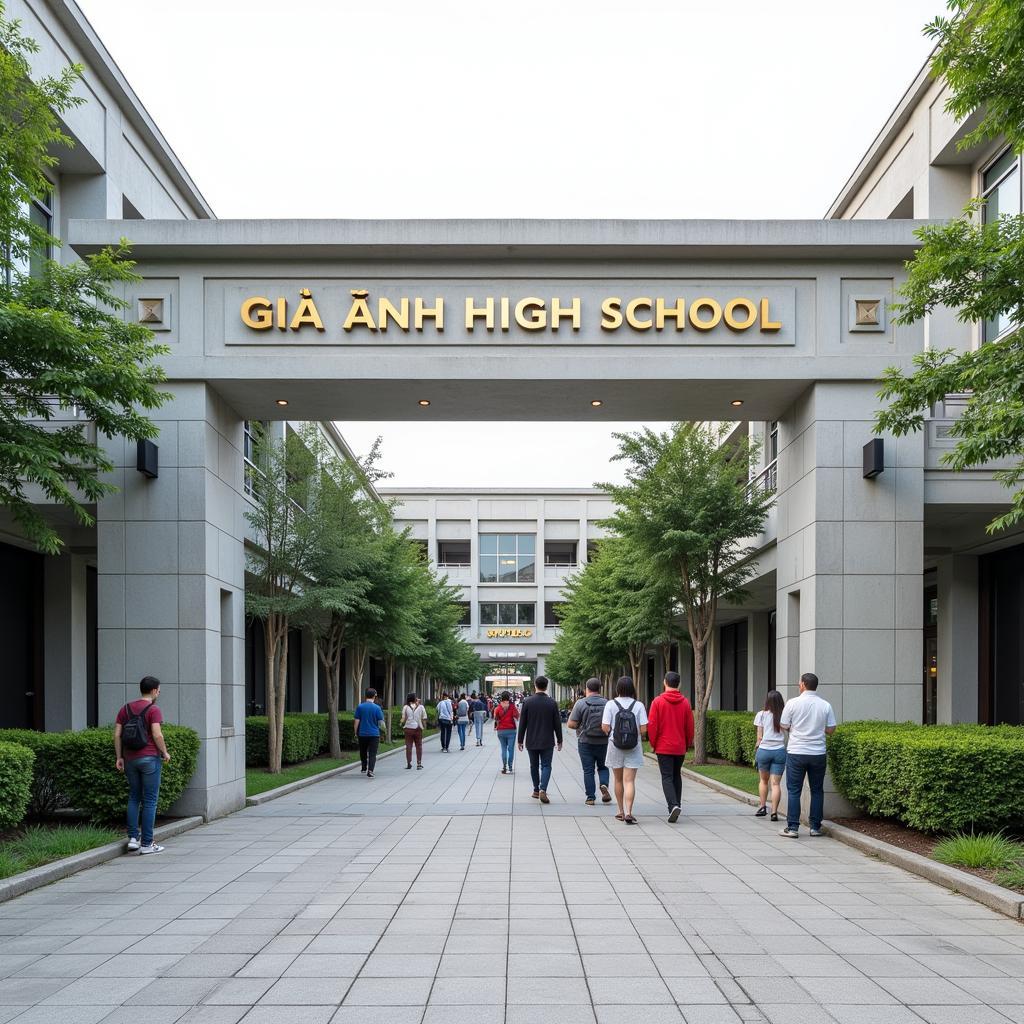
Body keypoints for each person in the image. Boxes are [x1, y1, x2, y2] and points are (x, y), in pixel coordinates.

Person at [114, 675, 171, 855]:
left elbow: (116, 735)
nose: (159, 693)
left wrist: (119, 757)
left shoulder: (125, 709)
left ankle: (132, 839)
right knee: (150, 800)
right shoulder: (154, 709)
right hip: (149, 759)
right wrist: (164, 752)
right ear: (154, 690)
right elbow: (157, 734)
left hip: (130, 759)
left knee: (134, 797)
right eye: (159, 691)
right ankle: (147, 843)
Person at [778, 673, 836, 838]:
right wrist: (818, 729)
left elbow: (783, 724)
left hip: (796, 752)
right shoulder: (825, 705)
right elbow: (831, 729)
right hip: (818, 752)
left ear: (803, 684)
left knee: (794, 790)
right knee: (817, 790)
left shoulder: (792, 703)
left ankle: (793, 827)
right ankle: (815, 827)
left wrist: (795, 729)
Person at [647, 671, 695, 823]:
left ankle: (673, 805)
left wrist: (653, 743)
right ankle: (677, 804)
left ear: (665, 682)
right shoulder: (685, 702)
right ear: (679, 684)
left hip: (663, 747)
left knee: (667, 776)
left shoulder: (657, 702)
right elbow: (689, 726)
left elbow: (652, 725)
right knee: (676, 775)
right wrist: (687, 742)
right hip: (679, 746)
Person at [602, 676, 648, 824]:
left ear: (618, 688)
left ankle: (620, 811)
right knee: (629, 781)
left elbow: (605, 726)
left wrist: (614, 733)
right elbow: (643, 729)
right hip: (633, 747)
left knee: (618, 779)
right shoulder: (639, 705)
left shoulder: (610, 704)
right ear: (632, 688)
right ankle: (629, 812)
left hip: (615, 745)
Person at [567, 678, 612, 807]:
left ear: (587, 688)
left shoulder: (581, 703)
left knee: (588, 770)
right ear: (600, 689)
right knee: (603, 767)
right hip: (604, 741)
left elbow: (571, 724)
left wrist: (582, 727)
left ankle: (590, 798)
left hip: (585, 741)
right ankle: (604, 784)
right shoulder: (607, 703)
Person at [517, 676, 563, 803]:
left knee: (533, 765)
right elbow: (557, 723)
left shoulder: (527, 701)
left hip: (531, 740)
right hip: (547, 740)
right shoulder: (552, 703)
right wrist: (559, 740)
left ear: (535, 685)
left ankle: (536, 790)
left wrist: (520, 740)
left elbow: (523, 723)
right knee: (546, 765)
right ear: (546, 686)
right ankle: (543, 788)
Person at [754, 690, 787, 821]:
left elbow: (759, 737)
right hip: (779, 750)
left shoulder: (761, 715)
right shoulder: (783, 716)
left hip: (764, 750)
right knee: (776, 784)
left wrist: (757, 747)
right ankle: (774, 812)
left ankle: (762, 807)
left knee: (763, 780)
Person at [354, 687, 385, 778]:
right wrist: (383, 732)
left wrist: (355, 732)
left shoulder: (360, 707)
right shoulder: (377, 708)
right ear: (374, 697)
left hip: (362, 734)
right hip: (374, 734)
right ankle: (370, 771)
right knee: (372, 753)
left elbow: (356, 721)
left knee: (363, 751)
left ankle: (364, 767)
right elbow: (381, 722)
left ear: (365, 696)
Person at [493, 690, 519, 774]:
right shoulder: (512, 706)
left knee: (503, 748)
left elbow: (496, 718)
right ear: (509, 697)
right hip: (511, 730)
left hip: (501, 731)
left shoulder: (498, 707)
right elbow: (517, 716)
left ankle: (504, 766)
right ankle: (510, 767)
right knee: (511, 749)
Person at [401, 692, 428, 770]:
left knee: (408, 746)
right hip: (418, 728)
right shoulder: (421, 707)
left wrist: (401, 723)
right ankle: (419, 764)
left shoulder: (405, 707)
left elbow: (403, 718)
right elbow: (424, 717)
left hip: (408, 729)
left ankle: (409, 763)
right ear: (415, 698)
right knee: (419, 746)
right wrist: (424, 726)